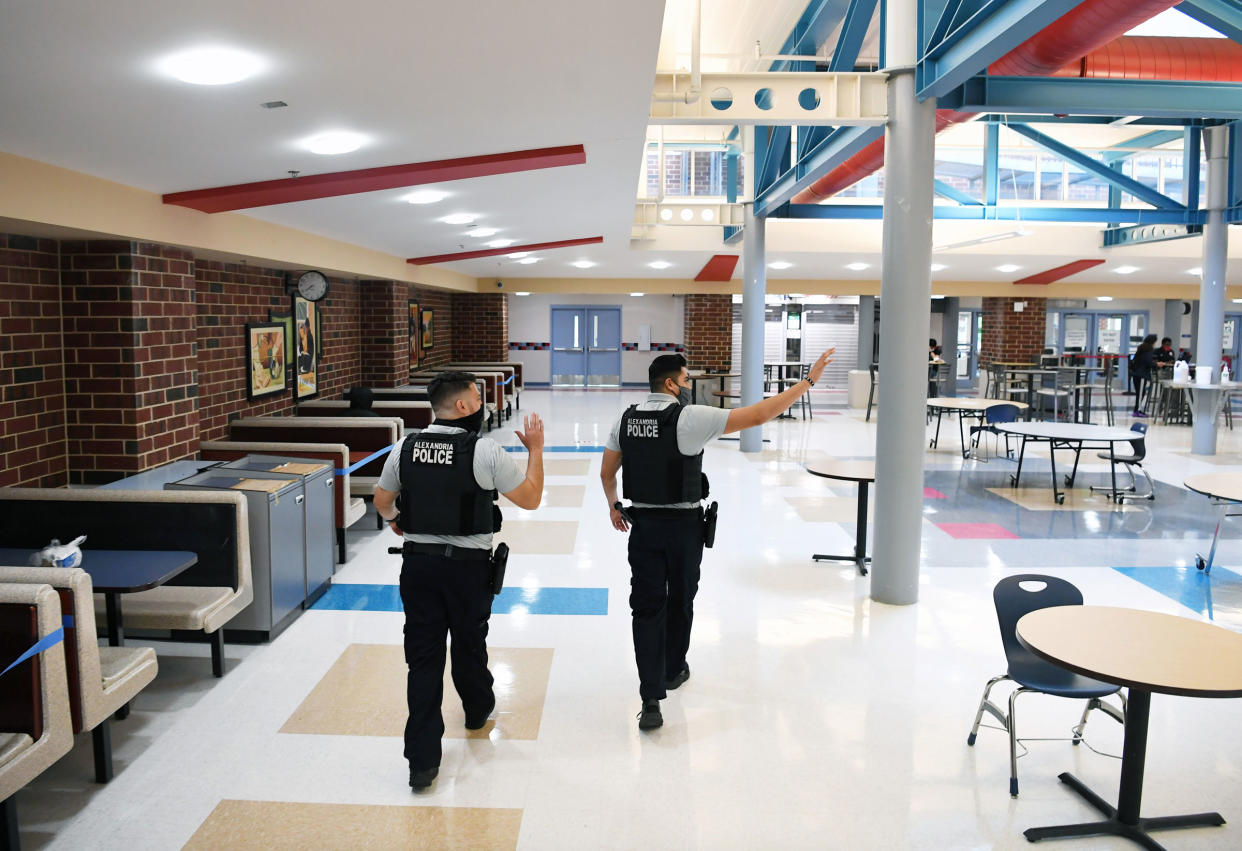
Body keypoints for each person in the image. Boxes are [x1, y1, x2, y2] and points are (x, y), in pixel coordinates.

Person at [601, 349, 833, 731]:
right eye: (687, 379)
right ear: (672, 384)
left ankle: (650, 698)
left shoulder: (625, 420)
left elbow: (608, 473)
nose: (690, 386)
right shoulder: (688, 418)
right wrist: (807, 382)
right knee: (681, 598)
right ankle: (674, 668)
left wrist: (614, 506)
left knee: (645, 609)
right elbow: (758, 415)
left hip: (643, 528)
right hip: (683, 528)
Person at [373, 372, 545, 791]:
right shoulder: (483, 450)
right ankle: (476, 709)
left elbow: (381, 501)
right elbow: (530, 498)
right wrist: (536, 451)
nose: (482, 403)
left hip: (418, 568)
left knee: (424, 658)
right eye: (478, 396)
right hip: (468, 570)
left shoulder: (405, 447)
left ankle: (422, 762)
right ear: (465, 407)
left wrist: (398, 521)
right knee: (469, 643)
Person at [1130, 333, 1158, 418]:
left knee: (1140, 393)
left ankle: (1138, 410)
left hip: (1136, 375)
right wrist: (1156, 364)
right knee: (1141, 393)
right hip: (1142, 375)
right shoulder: (1148, 350)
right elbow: (1148, 362)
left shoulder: (1141, 348)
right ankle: (1138, 411)